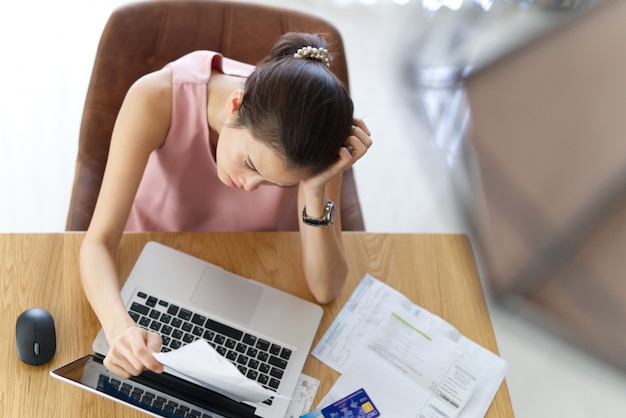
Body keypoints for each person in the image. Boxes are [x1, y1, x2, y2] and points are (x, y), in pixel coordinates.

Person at [79, 32, 372, 379]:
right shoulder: (154, 97)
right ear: (236, 105)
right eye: (250, 165)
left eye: (275, 183)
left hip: (255, 271)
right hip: (158, 258)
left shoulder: (308, 139)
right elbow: (97, 243)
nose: (249, 187)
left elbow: (326, 288)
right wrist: (119, 328)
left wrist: (315, 187)